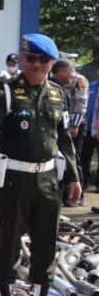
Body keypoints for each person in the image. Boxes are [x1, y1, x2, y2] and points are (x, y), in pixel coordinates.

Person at [0, 34, 81, 296]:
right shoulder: (5, 91)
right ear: (22, 58)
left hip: (48, 179)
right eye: (31, 58)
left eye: (44, 60)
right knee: (8, 241)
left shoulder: (57, 94)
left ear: (51, 63)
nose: (37, 65)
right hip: (14, 178)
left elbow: (63, 139)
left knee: (46, 242)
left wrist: (74, 178)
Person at [51, 59, 88, 206]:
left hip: (75, 124)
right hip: (59, 125)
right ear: (60, 71)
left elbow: (81, 104)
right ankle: (63, 194)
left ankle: (78, 196)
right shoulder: (50, 82)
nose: (72, 74)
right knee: (59, 160)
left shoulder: (79, 81)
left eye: (72, 70)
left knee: (74, 158)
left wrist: (75, 125)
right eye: (69, 70)